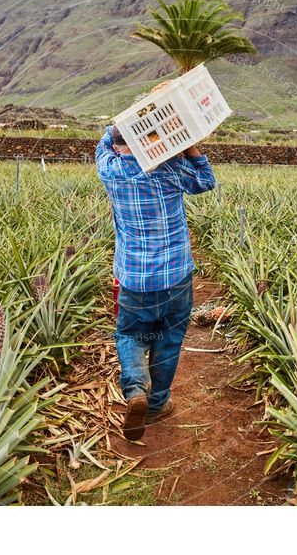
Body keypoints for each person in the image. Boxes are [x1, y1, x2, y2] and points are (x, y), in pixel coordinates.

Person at [96, 124, 216, 441]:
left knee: (131, 334)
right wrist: (189, 144)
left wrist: (118, 127)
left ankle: (136, 387)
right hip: (175, 277)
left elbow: (104, 142)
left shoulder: (109, 169)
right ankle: (157, 404)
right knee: (168, 338)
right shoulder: (169, 169)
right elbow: (206, 181)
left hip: (134, 278)